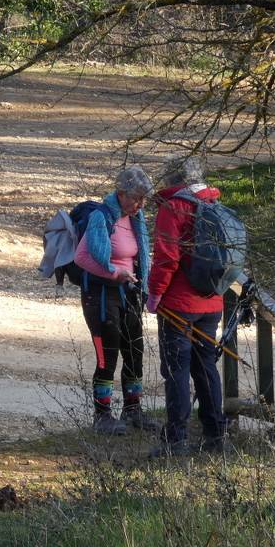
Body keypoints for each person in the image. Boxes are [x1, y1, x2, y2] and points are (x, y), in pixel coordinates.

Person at [146, 155, 227, 454]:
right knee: (206, 367)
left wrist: (154, 296)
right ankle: (215, 434)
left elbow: (167, 258)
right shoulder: (214, 203)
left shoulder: (173, 207)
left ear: (174, 179)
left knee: (177, 371)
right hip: (211, 300)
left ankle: (176, 439)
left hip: (178, 304)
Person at [73, 165, 156, 435]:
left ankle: (133, 410)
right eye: (136, 198)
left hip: (128, 292)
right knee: (107, 352)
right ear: (121, 193)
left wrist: (142, 284)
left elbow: (139, 256)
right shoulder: (101, 217)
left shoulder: (136, 219)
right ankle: (102, 415)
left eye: (144, 199)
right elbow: (82, 258)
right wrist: (113, 272)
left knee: (134, 350)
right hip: (100, 294)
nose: (140, 204)